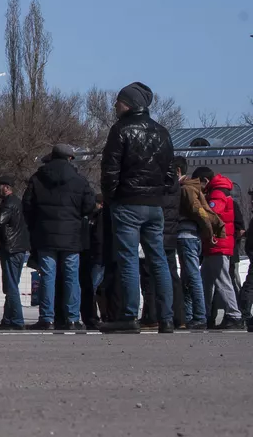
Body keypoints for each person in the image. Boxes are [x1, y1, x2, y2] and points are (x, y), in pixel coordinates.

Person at [99, 81, 175, 334]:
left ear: (129, 104)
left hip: (128, 203)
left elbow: (110, 169)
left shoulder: (121, 129)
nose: (115, 105)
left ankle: (129, 316)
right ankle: (166, 318)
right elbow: (170, 174)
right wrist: (159, 193)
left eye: (119, 101)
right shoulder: (162, 132)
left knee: (129, 259)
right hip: (154, 205)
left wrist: (111, 198)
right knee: (159, 261)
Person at [24, 144, 94, 331]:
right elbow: (89, 206)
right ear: (70, 158)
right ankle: (72, 319)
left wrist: (37, 224)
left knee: (47, 276)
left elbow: (28, 206)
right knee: (71, 276)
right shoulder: (79, 180)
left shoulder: (38, 178)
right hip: (71, 235)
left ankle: (47, 318)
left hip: (45, 234)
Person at [196, 167, 243, 330]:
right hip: (215, 245)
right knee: (207, 281)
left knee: (222, 280)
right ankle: (204, 314)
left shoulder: (217, 193)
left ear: (205, 180)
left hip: (218, 245)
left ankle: (234, 315)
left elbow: (212, 213)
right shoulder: (219, 191)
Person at [0, 175, 30, 330]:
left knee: (11, 286)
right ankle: (7, 320)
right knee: (11, 284)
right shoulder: (17, 202)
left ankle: (17, 320)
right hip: (18, 248)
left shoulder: (9, 203)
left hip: (11, 249)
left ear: (6, 187)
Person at [172, 158, 210, 329]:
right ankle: (189, 315)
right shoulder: (189, 187)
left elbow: (198, 211)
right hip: (190, 236)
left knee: (193, 276)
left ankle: (200, 316)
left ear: (178, 171)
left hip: (187, 236)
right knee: (187, 277)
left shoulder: (185, 188)